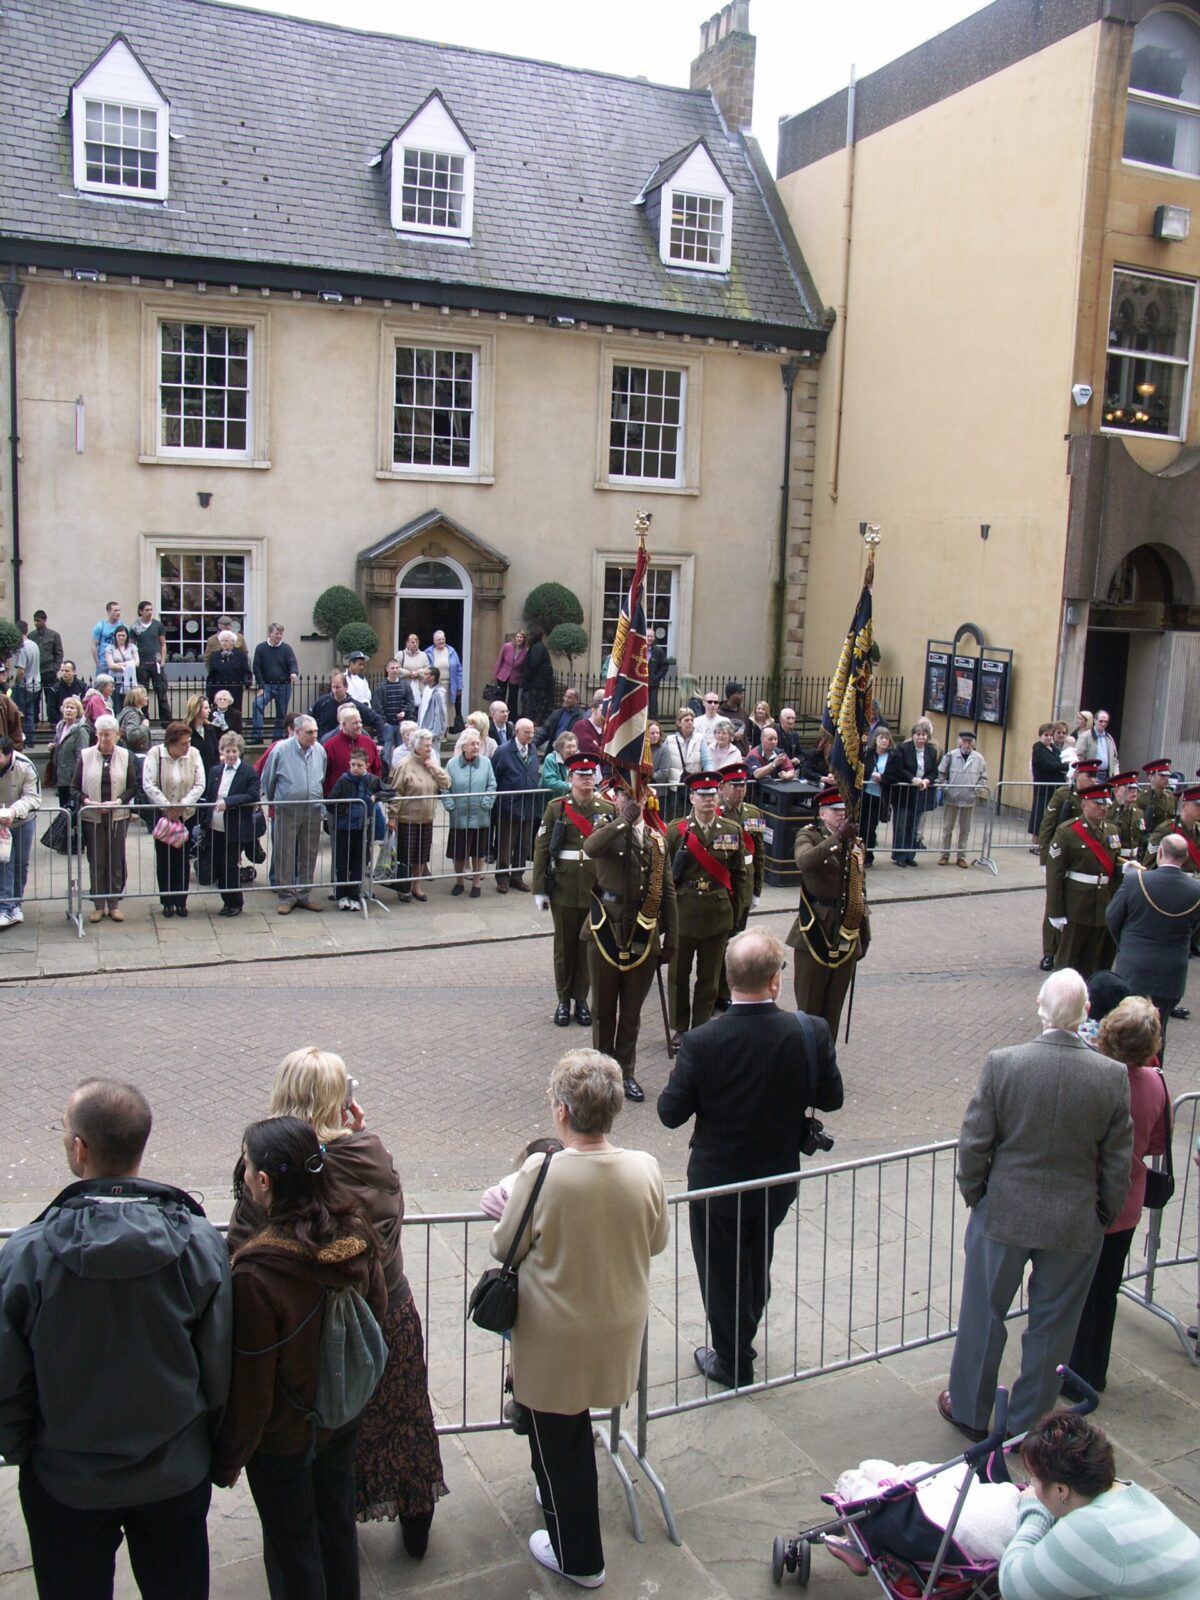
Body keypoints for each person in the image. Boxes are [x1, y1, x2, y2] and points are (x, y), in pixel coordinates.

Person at [0, 1079, 231, 1600]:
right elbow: (218, 1366)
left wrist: (25, 1451)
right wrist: (204, 1447)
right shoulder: (199, 1245)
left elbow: (7, 1378)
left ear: (80, 1149)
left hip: (66, 1481)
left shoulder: (26, 1256)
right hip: (174, 1473)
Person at [226, 1051, 447, 1560]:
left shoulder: (271, 1167)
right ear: (340, 1100)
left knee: (320, 1439)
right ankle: (415, 1525)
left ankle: (315, 1548)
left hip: (302, 1329)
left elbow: (242, 1244)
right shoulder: (369, 1152)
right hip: (383, 1311)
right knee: (401, 1421)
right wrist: (362, 1136)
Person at [491, 1050, 669, 1588]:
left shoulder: (542, 1171)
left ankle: (579, 1557)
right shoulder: (646, 1168)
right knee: (570, 1434)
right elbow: (656, 1240)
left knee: (559, 1443)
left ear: (563, 1112)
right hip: (617, 1324)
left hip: (556, 1337)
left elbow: (507, 1245)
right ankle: (564, 1516)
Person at [939, 968, 1132, 1441]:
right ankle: (1027, 1425)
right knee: (1052, 1328)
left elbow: (975, 1143)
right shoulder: (1110, 1076)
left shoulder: (1004, 1063)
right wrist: (1103, 1213)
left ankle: (969, 1410)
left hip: (1003, 1213)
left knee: (984, 1315)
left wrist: (976, 1196)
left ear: (1040, 1008)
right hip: (1073, 1222)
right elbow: (1117, 1161)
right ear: (1086, 1011)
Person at [658, 929, 843, 1388]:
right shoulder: (809, 1030)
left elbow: (669, 1113)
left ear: (727, 977)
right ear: (776, 981)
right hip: (776, 1176)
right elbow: (832, 1098)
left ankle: (733, 1360)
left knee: (722, 1271)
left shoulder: (701, 1043)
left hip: (718, 1182)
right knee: (757, 1257)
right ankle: (744, 1331)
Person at [211, 1116, 386, 1600]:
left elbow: (253, 1388)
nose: (244, 1175)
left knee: (292, 1549)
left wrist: (226, 1460)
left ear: (263, 1182)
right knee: (336, 1527)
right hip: (342, 1418)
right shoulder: (356, 1231)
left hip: (283, 1442)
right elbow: (377, 1316)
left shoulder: (256, 1275)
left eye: (246, 1167)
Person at [1066, 996, 1171, 1398]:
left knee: (1075, 1290)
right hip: (1126, 1203)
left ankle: (1069, 1371)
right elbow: (1158, 1142)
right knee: (1105, 1291)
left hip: (1086, 1200)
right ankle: (1094, 1373)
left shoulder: (1093, 1078)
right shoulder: (1156, 1084)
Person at [998, 1412, 1200, 1599]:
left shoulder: (1091, 1529)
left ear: (1061, 1490)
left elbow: (1012, 1587)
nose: (1032, 1486)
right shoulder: (1127, 1491)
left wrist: (1035, 1509)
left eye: (1035, 1479)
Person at [583, 790, 678, 1101]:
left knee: (631, 1012)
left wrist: (672, 938)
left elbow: (667, 892)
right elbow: (591, 847)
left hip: (643, 928)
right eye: (623, 796)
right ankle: (601, 1073)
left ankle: (626, 1072)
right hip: (606, 927)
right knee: (603, 1010)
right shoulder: (607, 829)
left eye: (635, 797)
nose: (629, 802)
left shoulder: (656, 840)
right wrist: (622, 821)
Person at [532, 753, 616, 1026]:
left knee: (588, 947)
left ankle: (582, 999)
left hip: (595, 886)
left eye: (591, 775)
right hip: (565, 886)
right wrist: (539, 889)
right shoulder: (557, 808)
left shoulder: (607, 808)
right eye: (581, 776)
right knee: (565, 947)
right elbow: (543, 849)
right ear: (571, 779)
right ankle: (563, 999)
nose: (587, 780)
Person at [666, 770, 745, 1044]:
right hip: (684, 912)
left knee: (709, 977)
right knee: (678, 975)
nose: (709, 799)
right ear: (692, 797)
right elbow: (664, 876)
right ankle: (680, 1027)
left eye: (712, 794)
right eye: (703, 794)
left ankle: (700, 1028)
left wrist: (739, 910)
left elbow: (739, 875)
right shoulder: (676, 831)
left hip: (717, 913)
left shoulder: (732, 831)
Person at [785, 786, 870, 1036]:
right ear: (822, 814)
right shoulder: (809, 835)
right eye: (835, 811)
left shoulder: (857, 843)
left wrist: (864, 934)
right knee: (811, 1004)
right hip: (816, 927)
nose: (841, 815)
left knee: (833, 1007)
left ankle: (826, 1060)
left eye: (844, 810)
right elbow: (804, 861)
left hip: (846, 926)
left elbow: (859, 890)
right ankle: (807, 1060)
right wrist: (836, 840)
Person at [1107, 832, 1200, 1048]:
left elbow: (1112, 917)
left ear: (1160, 853)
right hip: (1171, 972)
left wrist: (1126, 945)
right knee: (1158, 1033)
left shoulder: (1134, 879)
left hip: (1134, 967)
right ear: (1184, 858)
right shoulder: (1196, 890)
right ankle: (1154, 1077)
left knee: (1125, 1031)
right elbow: (1194, 928)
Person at [1046, 785, 1123, 979]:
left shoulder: (1112, 830)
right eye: (1098, 803)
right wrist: (1056, 912)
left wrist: (1125, 871)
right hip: (1076, 906)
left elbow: (1112, 868)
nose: (1103, 808)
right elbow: (1054, 876)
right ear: (1084, 804)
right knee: (1067, 961)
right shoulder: (1068, 832)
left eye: (1106, 803)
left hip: (1102, 905)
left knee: (1094, 961)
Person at [1038, 758, 1103, 971]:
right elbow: (1049, 824)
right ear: (1077, 775)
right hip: (1061, 855)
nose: (1093, 780)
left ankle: (1070, 950)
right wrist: (1046, 857)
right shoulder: (1063, 795)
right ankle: (1049, 951)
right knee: (1054, 903)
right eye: (1089, 776)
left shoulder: (1096, 798)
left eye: (1095, 776)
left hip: (1081, 859)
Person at [72, 715, 135, 923]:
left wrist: (118, 801)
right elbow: (74, 788)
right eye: (99, 735)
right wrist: (86, 800)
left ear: (116, 736)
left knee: (116, 859)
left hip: (117, 815)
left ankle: (114, 903)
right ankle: (98, 904)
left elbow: (134, 786)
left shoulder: (125, 756)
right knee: (96, 859)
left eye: (107, 735)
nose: (102, 739)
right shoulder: (86, 755)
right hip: (93, 815)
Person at [262, 714, 327, 915]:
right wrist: (276, 804)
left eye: (316, 731)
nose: (314, 735)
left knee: (309, 852)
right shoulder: (280, 750)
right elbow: (268, 780)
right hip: (288, 810)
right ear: (296, 732)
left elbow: (321, 776)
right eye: (309, 732)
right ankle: (287, 895)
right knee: (285, 853)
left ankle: (304, 894)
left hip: (313, 810)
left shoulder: (320, 750)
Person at [141, 721, 205, 918]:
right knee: (164, 858)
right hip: (163, 815)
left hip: (185, 815)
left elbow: (199, 783)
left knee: (182, 859)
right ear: (172, 743)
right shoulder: (155, 754)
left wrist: (182, 805)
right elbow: (149, 784)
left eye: (188, 742)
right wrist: (167, 807)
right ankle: (167, 900)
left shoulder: (193, 754)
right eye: (183, 743)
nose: (187, 746)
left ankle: (181, 900)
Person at [713, 764, 764, 1008]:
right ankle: (715, 991)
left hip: (745, 883)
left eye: (743, 786)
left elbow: (760, 853)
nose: (739, 791)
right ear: (722, 788)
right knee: (718, 942)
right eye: (734, 786)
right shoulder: (715, 814)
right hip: (723, 883)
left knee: (736, 941)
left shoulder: (753, 814)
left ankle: (728, 990)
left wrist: (757, 890)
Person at [201, 731, 262, 918]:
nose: (231, 755)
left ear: (240, 752)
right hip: (215, 826)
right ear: (222, 751)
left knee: (230, 866)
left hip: (235, 827)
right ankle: (226, 900)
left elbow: (252, 795)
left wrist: (229, 802)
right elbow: (210, 794)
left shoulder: (248, 772)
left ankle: (235, 902)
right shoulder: (215, 771)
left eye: (234, 751)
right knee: (219, 866)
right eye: (227, 751)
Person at [387, 727, 449, 901]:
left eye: (430, 745)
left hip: (427, 817)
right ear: (416, 746)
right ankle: (404, 887)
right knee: (407, 854)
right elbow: (396, 792)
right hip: (408, 818)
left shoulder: (431, 763)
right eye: (426, 746)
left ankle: (417, 886)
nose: (430, 749)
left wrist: (435, 769)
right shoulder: (404, 765)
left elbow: (446, 783)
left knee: (422, 853)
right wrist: (393, 816)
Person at [442, 727, 496, 896]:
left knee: (478, 852)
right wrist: (450, 806)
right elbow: (445, 788)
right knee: (458, 852)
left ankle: (476, 883)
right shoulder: (452, 764)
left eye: (477, 743)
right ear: (463, 746)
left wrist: (486, 803)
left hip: (480, 816)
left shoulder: (486, 763)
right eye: (472, 744)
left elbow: (492, 785)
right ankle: (459, 882)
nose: (475, 747)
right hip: (459, 816)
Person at [328, 746, 380, 911]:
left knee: (359, 861)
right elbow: (331, 801)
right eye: (353, 765)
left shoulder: (371, 779)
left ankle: (355, 894)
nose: (355, 769)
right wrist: (346, 808)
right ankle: (341, 894)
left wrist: (375, 797)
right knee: (343, 861)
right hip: (345, 827)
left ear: (367, 764)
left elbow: (388, 790)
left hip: (363, 828)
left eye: (359, 765)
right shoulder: (343, 780)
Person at [492, 716, 541, 892]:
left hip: (528, 805)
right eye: (527, 733)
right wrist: (501, 801)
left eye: (532, 733)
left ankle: (517, 876)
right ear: (517, 732)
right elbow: (495, 776)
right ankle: (502, 877)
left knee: (524, 843)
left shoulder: (533, 749)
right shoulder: (504, 751)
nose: (530, 736)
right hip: (509, 806)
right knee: (506, 844)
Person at [886, 718, 939, 865]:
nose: (921, 737)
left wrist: (927, 780)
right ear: (913, 735)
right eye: (918, 734)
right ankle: (899, 856)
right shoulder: (903, 748)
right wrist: (912, 779)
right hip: (904, 793)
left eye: (924, 735)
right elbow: (899, 768)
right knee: (901, 825)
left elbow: (934, 772)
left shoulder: (931, 751)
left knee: (914, 826)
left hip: (920, 793)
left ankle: (910, 855)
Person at [0, 735, 40, 929]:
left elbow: (33, 797)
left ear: (8, 755)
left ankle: (16, 903)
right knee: (4, 862)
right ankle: (5, 907)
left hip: (23, 820)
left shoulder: (25, 766)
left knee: (20, 863)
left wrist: (14, 811)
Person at [937, 728, 987, 867]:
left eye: (969, 742)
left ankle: (961, 856)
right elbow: (941, 775)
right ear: (960, 742)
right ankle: (944, 855)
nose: (967, 744)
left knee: (965, 830)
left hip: (969, 799)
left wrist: (976, 791)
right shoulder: (950, 755)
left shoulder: (979, 758)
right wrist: (947, 788)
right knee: (947, 828)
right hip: (951, 798)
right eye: (964, 741)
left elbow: (983, 778)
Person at [251, 624, 300, 742]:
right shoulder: (261, 648)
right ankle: (258, 736)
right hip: (267, 685)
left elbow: (292, 663)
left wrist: (293, 673)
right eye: (277, 633)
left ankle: (277, 738)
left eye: (281, 634)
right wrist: (261, 686)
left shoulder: (286, 648)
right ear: (270, 634)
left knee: (281, 714)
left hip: (283, 686)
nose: (279, 636)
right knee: (257, 704)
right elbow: (256, 668)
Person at [321, 702, 382, 795]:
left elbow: (377, 769)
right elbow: (324, 775)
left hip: (366, 799)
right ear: (344, 725)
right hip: (339, 802)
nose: (359, 725)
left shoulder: (369, 742)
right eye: (355, 723)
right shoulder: (330, 745)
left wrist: (373, 793)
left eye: (360, 721)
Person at [860, 726, 897, 867]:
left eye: (887, 738)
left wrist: (882, 778)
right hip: (865, 794)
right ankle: (858, 854)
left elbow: (895, 775)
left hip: (880, 797)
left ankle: (868, 856)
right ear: (875, 739)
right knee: (861, 826)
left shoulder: (893, 756)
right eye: (881, 738)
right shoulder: (868, 754)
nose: (884, 741)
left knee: (870, 828)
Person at [370, 657, 418, 766]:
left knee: (403, 751)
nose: (395, 670)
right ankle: (385, 775)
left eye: (397, 668)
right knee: (385, 752)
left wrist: (405, 712)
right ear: (387, 669)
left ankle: (401, 772)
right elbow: (377, 706)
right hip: (388, 724)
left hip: (402, 724)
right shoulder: (381, 687)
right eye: (392, 668)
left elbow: (410, 702)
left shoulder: (405, 685)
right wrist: (383, 722)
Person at [131, 601, 171, 724]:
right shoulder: (134, 627)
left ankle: (166, 721)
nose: (149, 612)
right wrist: (135, 661)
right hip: (142, 664)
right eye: (147, 610)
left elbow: (163, 644)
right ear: (140, 611)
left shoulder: (158, 625)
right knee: (143, 693)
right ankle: (144, 719)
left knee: (161, 692)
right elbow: (132, 646)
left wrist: (163, 660)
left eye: (151, 610)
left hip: (156, 663)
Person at [49, 694, 91, 808]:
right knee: (63, 809)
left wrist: (77, 777)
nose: (68, 710)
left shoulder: (81, 731)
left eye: (72, 708)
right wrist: (53, 747)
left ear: (78, 711)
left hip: (72, 778)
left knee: (72, 811)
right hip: (61, 777)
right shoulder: (60, 728)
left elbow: (81, 756)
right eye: (66, 707)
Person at [1028, 723, 1063, 847]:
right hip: (1043, 786)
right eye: (1045, 735)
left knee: (1051, 814)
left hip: (1055, 786)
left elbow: (1059, 760)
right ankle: (1035, 842)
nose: (1048, 738)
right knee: (1039, 813)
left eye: (1050, 735)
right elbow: (1047, 765)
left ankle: (1046, 841)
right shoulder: (1038, 749)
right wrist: (1064, 766)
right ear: (1040, 736)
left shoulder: (1055, 749)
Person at [205, 630, 251, 718]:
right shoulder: (215, 655)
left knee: (234, 714)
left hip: (235, 688)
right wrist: (210, 693)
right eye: (222, 641)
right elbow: (211, 675)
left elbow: (246, 671)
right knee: (219, 714)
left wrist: (247, 680)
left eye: (226, 641)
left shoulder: (241, 655)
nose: (224, 643)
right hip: (219, 688)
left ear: (232, 642)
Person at [11, 620, 41, 746]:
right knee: (30, 714)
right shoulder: (34, 644)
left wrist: (14, 682)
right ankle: (31, 740)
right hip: (35, 684)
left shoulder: (21, 648)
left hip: (24, 685)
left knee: (16, 714)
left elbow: (21, 670)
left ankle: (19, 740)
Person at [30, 609, 64, 720]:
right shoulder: (32, 636)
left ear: (44, 620)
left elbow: (59, 653)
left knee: (50, 698)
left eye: (38, 620)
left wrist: (55, 668)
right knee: (34, 698)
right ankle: (35, 721)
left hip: (48, 671)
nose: (36, 623)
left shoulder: (53, 635)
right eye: (34, 621)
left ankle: (52, 721)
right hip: (35, 671)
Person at [519, 625, 554, 727]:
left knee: (534, 709)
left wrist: (525, 680)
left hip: (536, 685)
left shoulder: (537, 647)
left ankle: (533, 725)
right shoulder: (538, 647)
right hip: (538, 684)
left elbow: (533, 665)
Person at [1074, 707, 1119, 780]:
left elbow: (1114, 759)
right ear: (1095, 720)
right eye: (1101, 721)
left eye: (1106, 721)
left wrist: (1116, 772)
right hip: (1092, 775)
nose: (1103, 724)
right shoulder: (1085, 736)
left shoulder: (1109, 738)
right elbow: (1078, 756)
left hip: (1108, 775)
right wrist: (1085, 773)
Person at [493, 629, 528, 716]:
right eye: (518, 637)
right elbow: (500, 660)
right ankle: (498, 715)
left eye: (521, 637)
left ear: (524, 639)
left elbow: (525, 666)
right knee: (501, 696)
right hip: (503, 674)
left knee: (513, 698)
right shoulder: (507, 646)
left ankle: (511, 717)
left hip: (516, 676)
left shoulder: (526, 651)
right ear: (515, 638)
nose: (519, 639)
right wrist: (495, 674)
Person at [184, 692, 219, 776]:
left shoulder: (210, 728)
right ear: (197, 709)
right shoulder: (186, 729)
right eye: (206, 708)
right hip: (192, 773)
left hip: (210, 774)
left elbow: (215, 753)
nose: (209, 711)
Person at [44, 659, 87, 726]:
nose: (64, 673)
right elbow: (51, 710)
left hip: (80, 722)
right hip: (60, 722)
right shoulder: (55, 689)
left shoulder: (83, 687)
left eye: (67, 671)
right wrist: (64, 721)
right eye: (62, 671)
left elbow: (86, 706)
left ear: (74, 671)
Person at [539, 729, 578, 799]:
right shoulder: (551, 759)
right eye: (569, 747)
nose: (572, 750)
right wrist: (570, 786)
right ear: (561, 748)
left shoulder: (575, 760)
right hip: (548, 802)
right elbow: (549, 781)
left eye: (574, 746)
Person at [538, 685, 581, 750]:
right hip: (554, 748)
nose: (566, 699)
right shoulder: (557, 713)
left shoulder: (581, 716)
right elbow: (545, 730)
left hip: (569, 750)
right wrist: (532, 743)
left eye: (569, 698)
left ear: (577, 700)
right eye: (565, 696)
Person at [1142, 757, 1176, 834]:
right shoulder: (1142, 798)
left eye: (1168, 775)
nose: (1166, 778)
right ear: (1150, 777)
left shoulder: (1172, 797)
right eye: (1162, 775)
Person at [415, 664, 448, 742]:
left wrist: (435, 733)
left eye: (426, 674)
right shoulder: (426, 689)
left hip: (432, 733)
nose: (423, 676)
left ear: (432, 677)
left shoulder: (438, 693)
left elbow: (439, 714)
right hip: (423, 729)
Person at [571, 691, 608, 760]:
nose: (605, 714)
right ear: (593, 710)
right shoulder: (581, 726)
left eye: (607, 711)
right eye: (602, 711)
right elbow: (590, 753)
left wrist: (598, 748)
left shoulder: (607, 729)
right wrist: (602, 750)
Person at [116, 684, 151, 755]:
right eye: (144, 696)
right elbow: (132, 735)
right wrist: (144, 726)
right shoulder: (133, 715)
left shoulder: (125, 711)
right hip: (136, 753)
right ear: (137, 699)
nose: (147, 698)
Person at [90, 600, 123, 670]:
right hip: (103, 663)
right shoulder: (101, 626)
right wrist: (98, 663)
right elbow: (94, 645)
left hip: (119, 664)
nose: (118, 613)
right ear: (108, 612)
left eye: (119, 610)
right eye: (115, 611)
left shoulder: (123, 626)